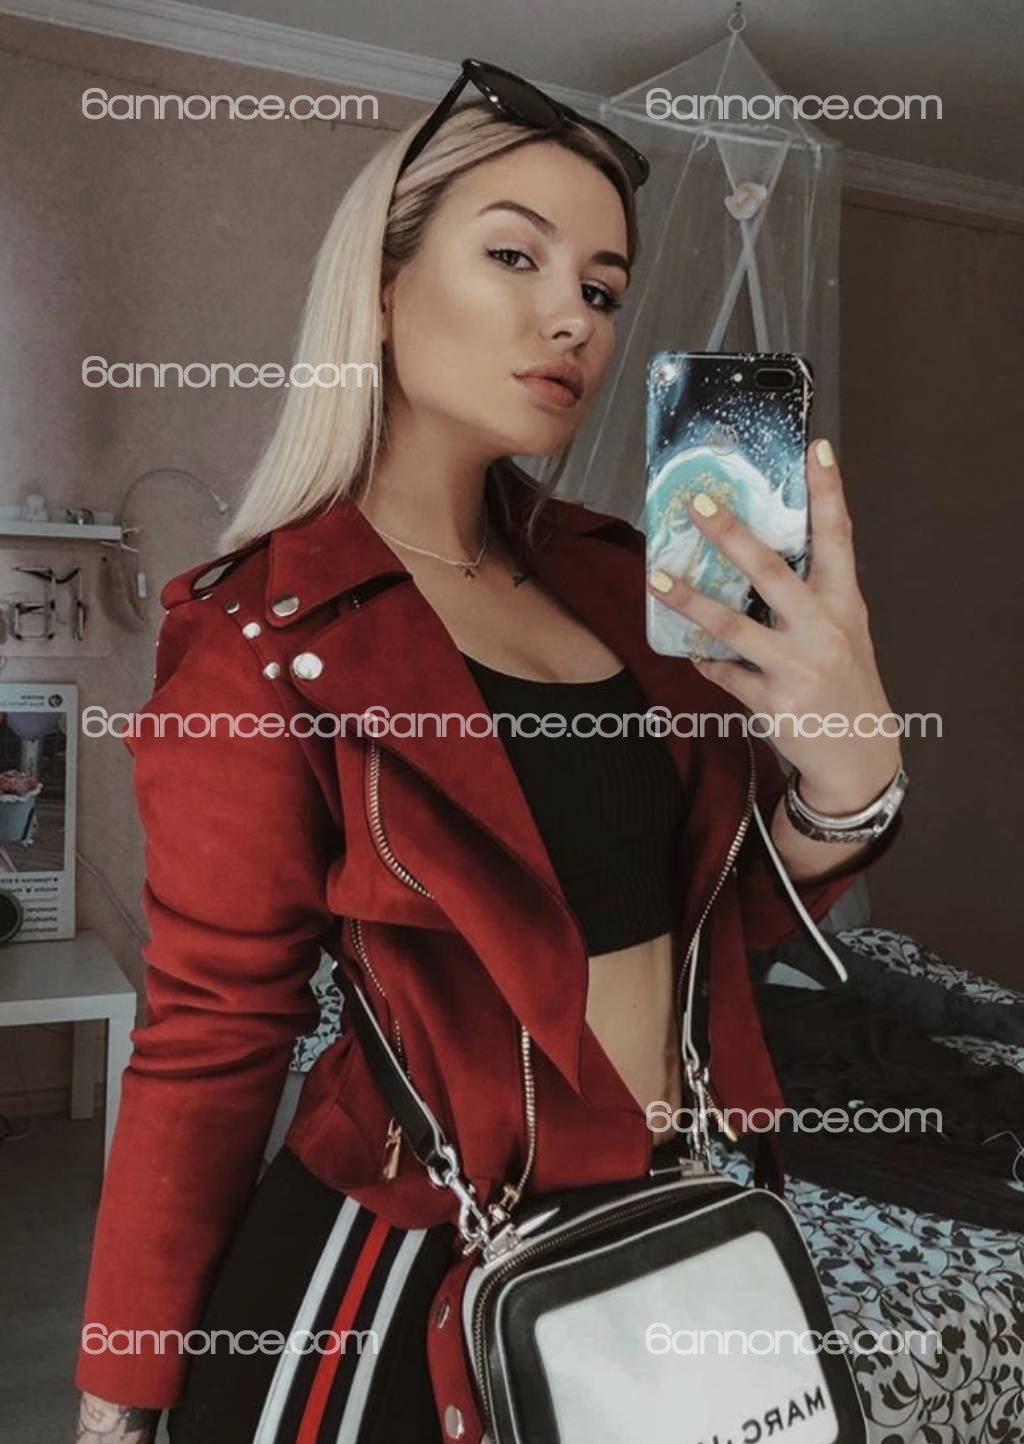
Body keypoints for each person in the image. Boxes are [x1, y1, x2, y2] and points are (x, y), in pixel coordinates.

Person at [75, 60, 904, 1444]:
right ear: (381, 285)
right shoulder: (265, 643)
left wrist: (851, 777)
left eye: (602, 288)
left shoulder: (626, 587)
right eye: (515, 255)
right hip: (418, 1269)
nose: (570, 317)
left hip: (685, 1211)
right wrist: (119, 1393)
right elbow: (213, 1034)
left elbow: (714, 916)